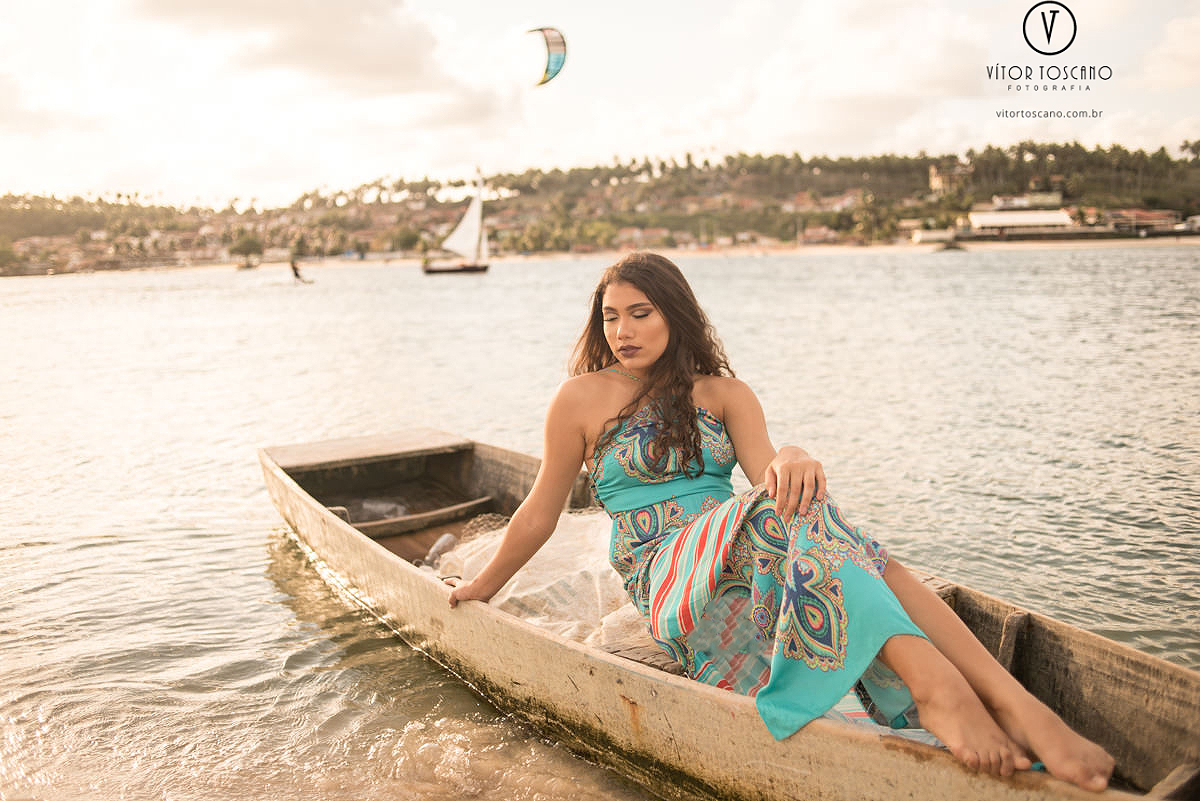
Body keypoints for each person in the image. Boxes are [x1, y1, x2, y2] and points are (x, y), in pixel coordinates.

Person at [447, 251, 1114, 790]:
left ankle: (1008, 701)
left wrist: (792, 453)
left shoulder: (724, 394)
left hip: (742, 552)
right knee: (783, 515)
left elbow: (774, 478)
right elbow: (540, 509)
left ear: (675, 315)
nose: (623, 330)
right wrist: (483, 586)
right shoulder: (581, 397)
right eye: (612, 315)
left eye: (641, 313)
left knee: (811, 512)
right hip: (667, 574)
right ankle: (941, 686)